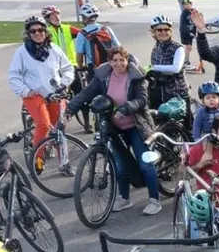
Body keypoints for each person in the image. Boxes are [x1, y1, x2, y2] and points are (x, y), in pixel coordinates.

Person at [65, 46, 163, 216]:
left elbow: (142, 100)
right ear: (109, 62)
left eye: (121, 60)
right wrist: (69, 111)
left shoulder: (136, 76)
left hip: (135, 125)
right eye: (114, 60)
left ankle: (154, 199)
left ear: (127, 60)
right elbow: (86, 93)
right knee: (119, 165)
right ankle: (124, 198)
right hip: (113, 127)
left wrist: (125, 109)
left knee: (145, 164)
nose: (118, 64)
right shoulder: (103, 77)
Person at [8, 15, 75, 175]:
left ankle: (64, 163)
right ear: (28, 34)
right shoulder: (22, 52)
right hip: (34, 94)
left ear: (45, 31)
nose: (37, 33)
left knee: (59, 127)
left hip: (55, 92)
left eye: (40, 30)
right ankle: (37, 159)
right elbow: (13, 76)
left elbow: (67, 68)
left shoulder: (54, 49)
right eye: (33, 31)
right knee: (44, 125)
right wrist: (26, 91)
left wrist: (64, 83)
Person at [41, 5, 88, 131]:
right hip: (54, 70)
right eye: (52, 15)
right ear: (47, 18)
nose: (56, 17)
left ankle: (88, 123)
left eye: (57, 14)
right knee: (57, 98)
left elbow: (84, 35)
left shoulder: (67, 29)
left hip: (71, 67)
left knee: (81, 95)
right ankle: (58, 124)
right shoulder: (44, 32)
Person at [148, 14, 191, 132]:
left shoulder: (178, 48)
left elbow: (176, 68)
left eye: (166, 29)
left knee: (187, 130)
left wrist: (153, 67)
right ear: (154, 32)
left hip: (178, 95)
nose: (163, 32)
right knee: (162, 129)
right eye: (159, 30)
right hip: (162, 95)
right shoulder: (156, 49)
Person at [74, 3, 121, 70]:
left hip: (93, 67)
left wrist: (80, 66)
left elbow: (79, 55)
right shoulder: (106, 29)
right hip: (110, 64)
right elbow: (118, 47)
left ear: (85, 18)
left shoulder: (82, 34)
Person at [179, 0, 204, 74]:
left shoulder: (193, 11)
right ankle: (185, 62)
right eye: (185, 4)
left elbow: (197, 20)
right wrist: (188, 32)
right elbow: (182, 25)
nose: (187, 6)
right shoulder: (184, 13)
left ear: (191, 4)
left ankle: (186, 61)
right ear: (183, 6)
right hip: (185, 33)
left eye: (188, 4)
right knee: (188, 47)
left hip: (192, 33)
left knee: (189, 48)